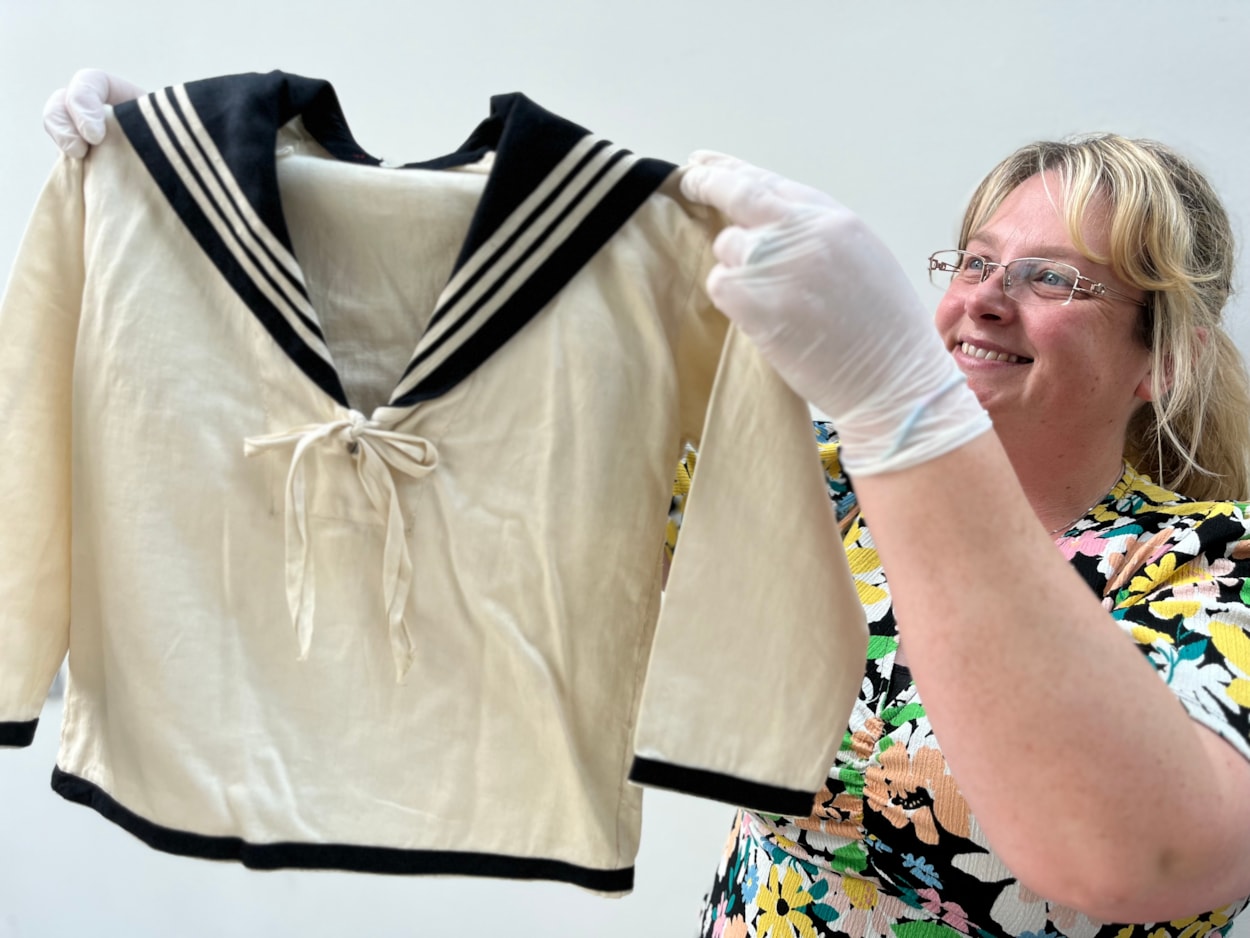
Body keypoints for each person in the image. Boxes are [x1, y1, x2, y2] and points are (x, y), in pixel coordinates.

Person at [40, 70, 1250, 935]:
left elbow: (1135, 856)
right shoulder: (823, 486)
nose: (984, 298)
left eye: (1050, 278)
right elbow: (493, 498)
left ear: (1164, 356)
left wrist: (899, 403)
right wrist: (164, 201)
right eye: (972, 261)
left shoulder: (1211, 571)